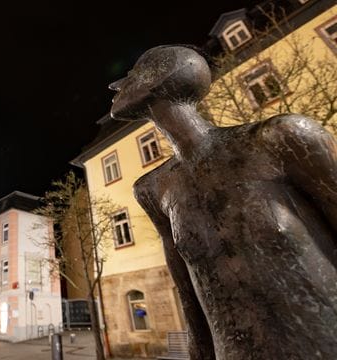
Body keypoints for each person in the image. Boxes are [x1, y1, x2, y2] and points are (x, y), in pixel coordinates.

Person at [109, 45, 337, 360]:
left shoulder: (280, 138)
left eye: (132, 76)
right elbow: (188, 294)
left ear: (158, 78)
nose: (115, 86)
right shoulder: (154, 189)